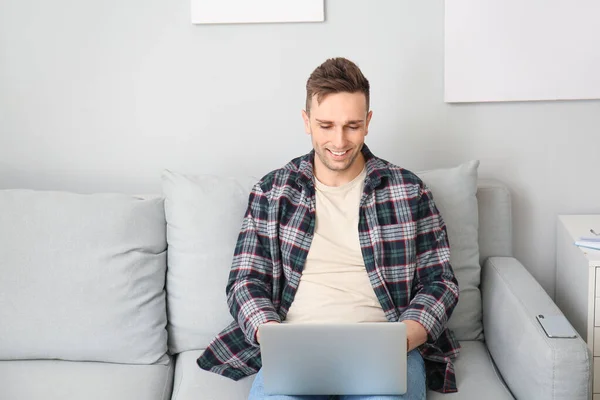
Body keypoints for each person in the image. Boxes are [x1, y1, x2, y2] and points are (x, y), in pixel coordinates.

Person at [197, 57, 460, 400]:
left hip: (386, 348)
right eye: (326, 125)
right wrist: (271, 334)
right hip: (297, 348)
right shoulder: (272, 191)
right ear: (306, 121)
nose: (339, 141)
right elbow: (245, 281)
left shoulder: (409, 191)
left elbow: (440, 281)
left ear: (368, 122)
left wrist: (406, 336)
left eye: (352, 125)